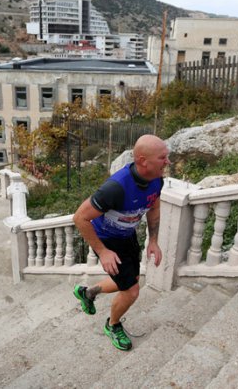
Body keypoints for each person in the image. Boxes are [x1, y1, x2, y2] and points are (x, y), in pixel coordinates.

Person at [72, 134, 170, 351]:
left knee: (129, 279)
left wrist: (153, 240)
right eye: (163, 157)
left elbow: (153, 207)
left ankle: (87, 292)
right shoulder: (116, 188)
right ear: (143, 160)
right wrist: (103, 251)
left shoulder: (157, 179)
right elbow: (80, 217)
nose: (168, 162)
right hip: (106, 240)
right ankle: (113, 325)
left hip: (127, 236)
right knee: (132, 290)